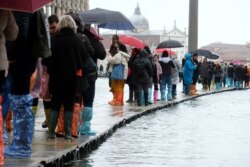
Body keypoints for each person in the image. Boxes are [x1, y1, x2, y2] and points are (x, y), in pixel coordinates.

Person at [4, 10, 45, 158]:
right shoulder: (30, 10)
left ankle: (21, 146)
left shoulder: (21, 11)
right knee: (21, 101)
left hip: (20, 60)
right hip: (28, 58)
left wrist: (11, 55)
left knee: (20, 100)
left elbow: (20, 34)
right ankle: (21, 144)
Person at [47, 15, 88, 140]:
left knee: (55, 104)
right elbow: (84, 59)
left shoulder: (54, 39)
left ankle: (51, 134)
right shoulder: (77, 41)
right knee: (69, 104)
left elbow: (46, 59)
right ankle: (68, 134)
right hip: (72, 78)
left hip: (56, 78)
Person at [0, 9, 18, 164]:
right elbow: (13, 34)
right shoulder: (4, 11)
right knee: (3, 96)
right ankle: (2, 133)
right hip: (0, 63)